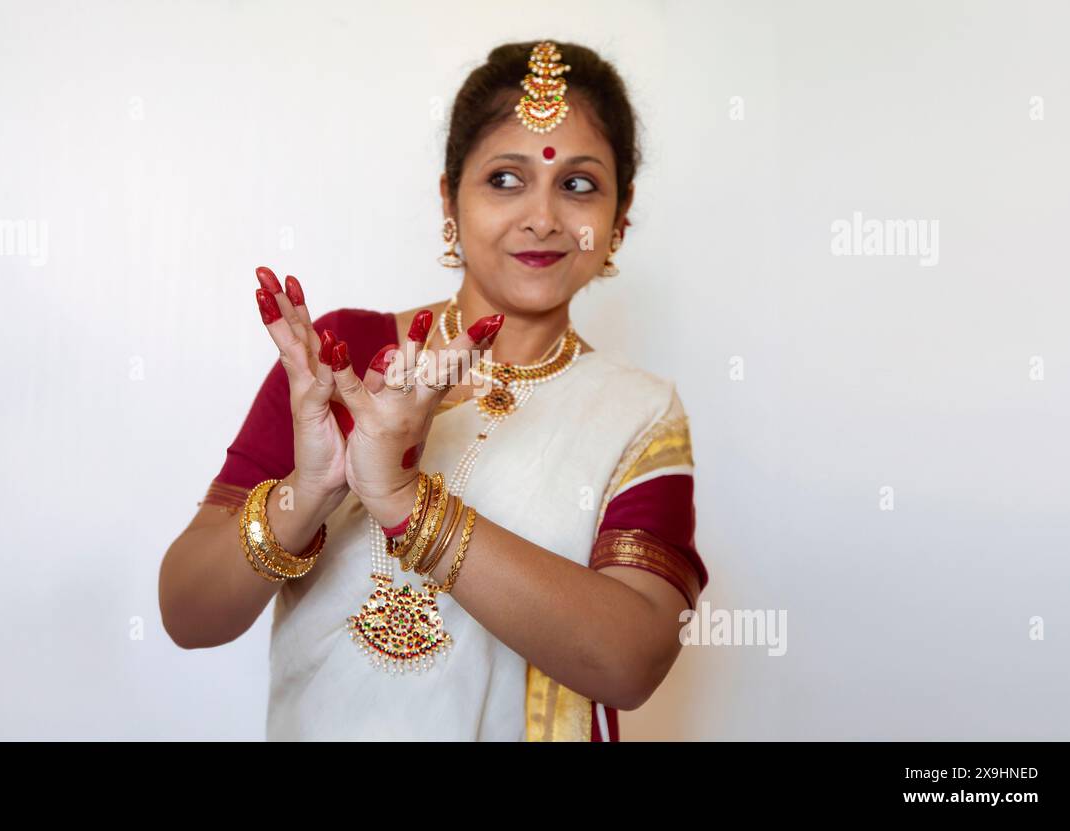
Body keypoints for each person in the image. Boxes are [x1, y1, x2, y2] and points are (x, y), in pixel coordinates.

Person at [159, 40, 708, 741]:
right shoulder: (343, 359)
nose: (542, 216)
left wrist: (405, 503)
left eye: (578, 185)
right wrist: (310, 489)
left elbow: (630, 661)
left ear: (619, 215)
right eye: (506, 179)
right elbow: (186, 612)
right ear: (449, 197)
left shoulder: (638, 411)